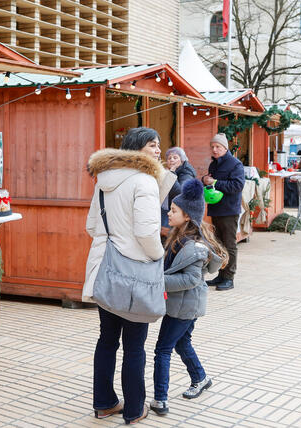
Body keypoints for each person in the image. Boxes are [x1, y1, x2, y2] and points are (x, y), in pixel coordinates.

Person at [83, 128, 165, 424]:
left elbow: (92, 225)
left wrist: (113, 240)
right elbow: (146, 232)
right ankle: (134, 410)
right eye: (153, 145)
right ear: (137, 149)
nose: (158, 151)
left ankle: (104, 403)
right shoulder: (145, 181)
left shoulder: (103, 180)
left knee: (107, 340)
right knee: (134, 345)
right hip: (135, 273)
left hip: (105, 269)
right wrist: (158, 256)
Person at [150, 179, 228, 416]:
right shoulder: (178, 237)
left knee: (162, 349)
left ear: (187, 217)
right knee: (182, 343)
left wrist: (157, 282)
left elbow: (191, 279)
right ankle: (201, 378)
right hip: (185, 304)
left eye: (173, 210)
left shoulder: (192, 245)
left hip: (184, 306)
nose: (168, 212)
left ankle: (160, 400)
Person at [201, 133, 244, 291]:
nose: (214, 149)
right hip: (215, 208)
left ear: (225, 147)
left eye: (218, 146)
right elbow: (210, 182)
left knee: (229, 244)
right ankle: (221, 274)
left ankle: (229, 277)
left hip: (229, 210)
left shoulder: (235, 164)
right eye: (212, 147)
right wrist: (204, 180)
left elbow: (237, 186)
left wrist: (216, 182)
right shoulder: (214, 164)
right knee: (218, 243)